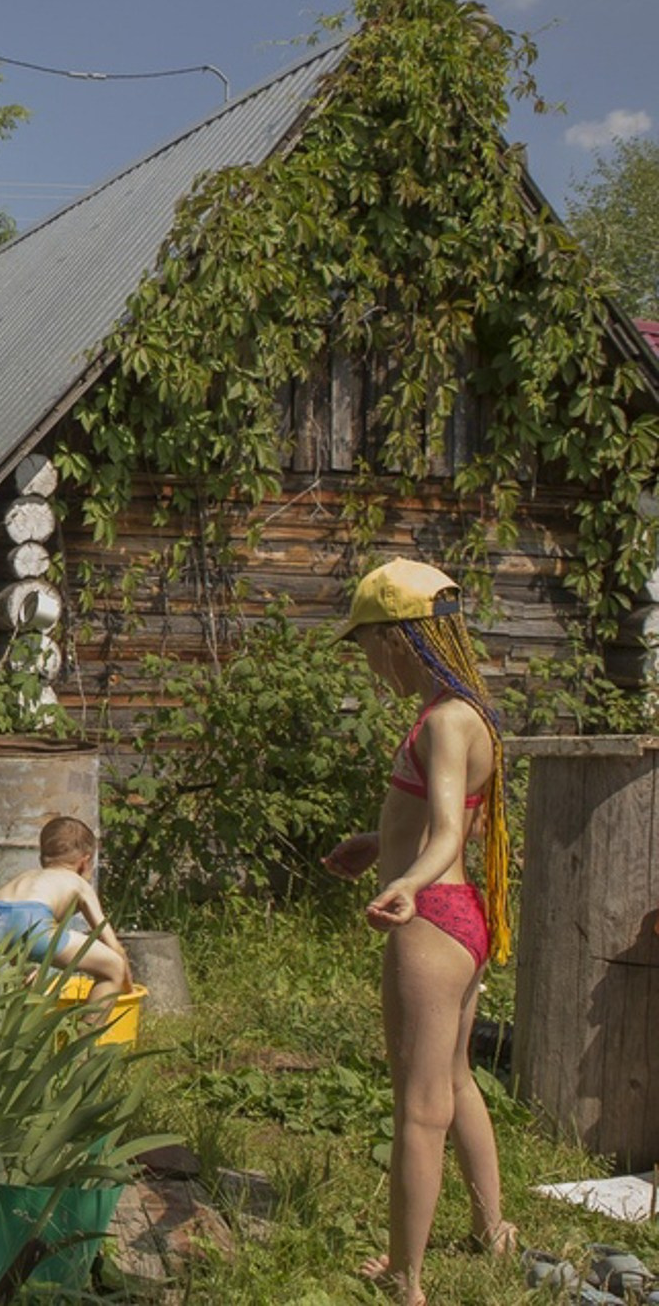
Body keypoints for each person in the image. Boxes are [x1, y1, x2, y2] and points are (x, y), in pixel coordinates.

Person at [323, 559, 517, 1306]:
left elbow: (443, 833)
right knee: (457, 1079)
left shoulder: (444, 720)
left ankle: (407, 1278)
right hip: (460, 916)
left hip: (430, 919)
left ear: (401, 638)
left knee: (418, 1103)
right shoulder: (465, 709)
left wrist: (405, 880)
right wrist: (378, 846)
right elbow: (447, 821)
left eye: (368, 643)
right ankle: (492, 1228)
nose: (370, 662)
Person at [0, 816, 133, 1009]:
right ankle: (85, 1036)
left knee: (4, 981)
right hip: (30, 920)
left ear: (42, 858)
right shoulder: (79, 883)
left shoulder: (26, 877)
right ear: (85, 862)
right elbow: (114, 946)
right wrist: (127, 987)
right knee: (114, 967)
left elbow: (12, 927)